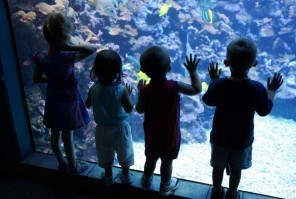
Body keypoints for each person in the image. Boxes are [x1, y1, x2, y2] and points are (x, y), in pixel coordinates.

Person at [202, 38, 283, 199]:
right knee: (236, 169)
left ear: (225, 62)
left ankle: (217, 191)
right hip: (242, 141)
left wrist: (214, 80)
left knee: (217, 168)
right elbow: (264, 110)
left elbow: (209, 101)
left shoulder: (220, 85)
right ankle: (232, 194)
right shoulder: (257, 88)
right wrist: (272, 91)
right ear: (255, 63)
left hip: (220, 138)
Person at [33, 12, 97, 175]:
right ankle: (73, 167)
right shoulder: (67, 56)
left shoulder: (43, 58)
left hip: (53, 99)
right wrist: (68, 47)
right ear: (66, 35)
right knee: (68, 135)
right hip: (69, 100)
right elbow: (92, 49)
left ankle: (62, 164)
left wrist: (52, 80)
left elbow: (37, 78)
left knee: (55, 134)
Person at [135, 46, 202, 196]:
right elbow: (197, 89)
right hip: (170, 135)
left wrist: (140, 91)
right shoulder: (174, 86)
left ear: (143, 70)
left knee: (150, 159)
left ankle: (146, 181)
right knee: (167, 161)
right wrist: (192, 71)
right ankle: (165, 187)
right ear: (170, 67)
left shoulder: (145, 90)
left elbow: (140, 110)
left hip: (152, 135)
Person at [85, 49, 134, 186]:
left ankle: (108, 177)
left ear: (96, 70)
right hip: (120, 128)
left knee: (105, 152)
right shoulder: (121, 89)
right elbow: (129, 109)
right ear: (118, 70)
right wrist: (127, 97)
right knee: (124, 150)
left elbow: (87, 105)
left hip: (102, 129)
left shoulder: (93, 88)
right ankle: (126, 176)